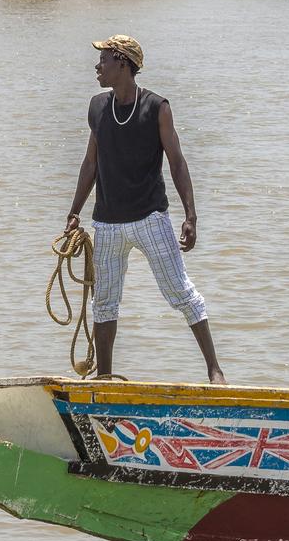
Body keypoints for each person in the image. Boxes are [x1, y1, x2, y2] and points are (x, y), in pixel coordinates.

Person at [65, 34, 226, 384]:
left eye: (104, 59)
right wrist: (75, 211)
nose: (97, 66)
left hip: (150, 218)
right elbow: (90, 163)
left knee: (180, 292)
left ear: (122, 62)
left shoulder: (156, 107)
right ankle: (105, 380)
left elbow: (178, 162)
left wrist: (191, 216)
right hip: (107, 224)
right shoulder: (97, 107)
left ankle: (214, 370)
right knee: (104, 303)